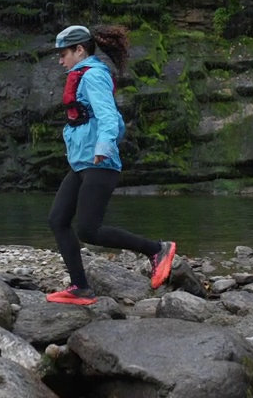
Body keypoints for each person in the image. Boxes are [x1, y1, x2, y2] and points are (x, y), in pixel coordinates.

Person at [45, 24, 176, 305]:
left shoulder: (93, 76)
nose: (60, 60)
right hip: (82, 163)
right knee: (58, 220)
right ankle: (80, 287)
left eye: (63, 53)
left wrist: (104, 148)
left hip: (99, 162)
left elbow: (108, 116)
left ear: (80, 50)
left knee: (88, 230)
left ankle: (157, 249)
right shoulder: (82, 75)